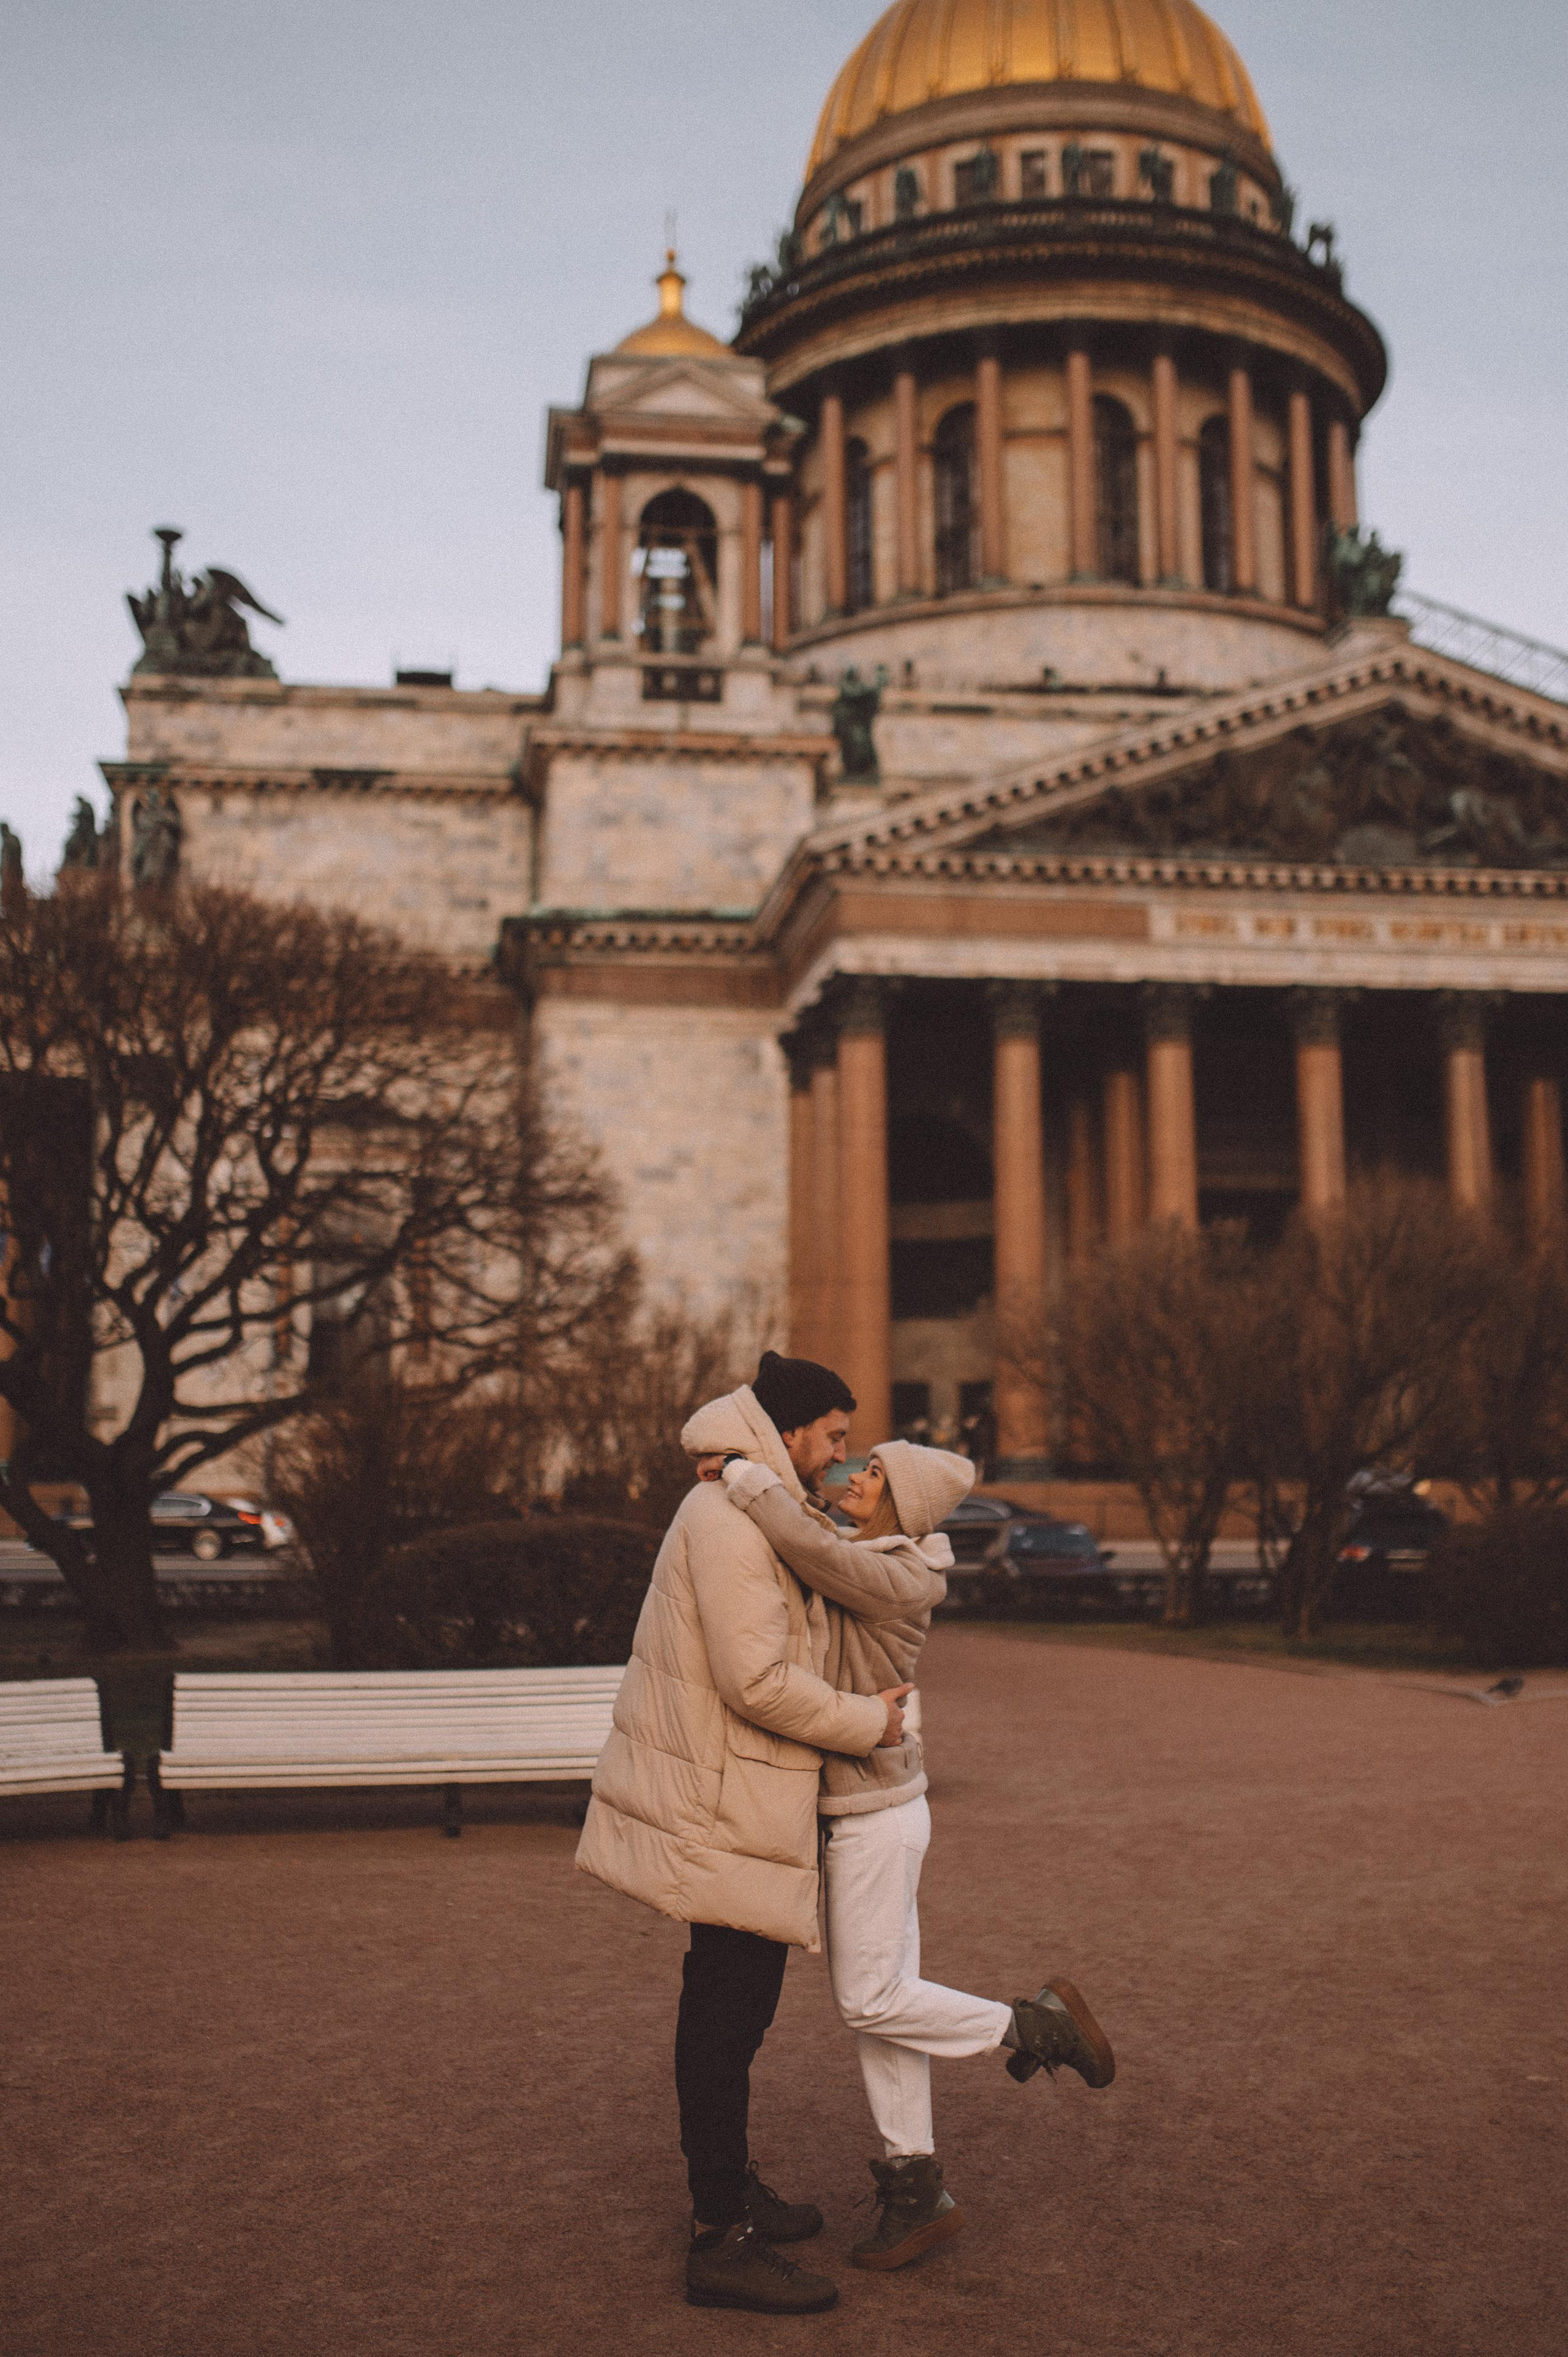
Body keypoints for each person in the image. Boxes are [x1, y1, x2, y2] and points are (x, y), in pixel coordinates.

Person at [709, 1436, 1115, 2272]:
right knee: (884, 2008)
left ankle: (1036, 2025)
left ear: (908, 1505)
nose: (853, 1476)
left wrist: (748, 1478)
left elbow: (809, 1548)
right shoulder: (863, 1552)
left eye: (875, 1475)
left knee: (867, 2001)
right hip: (861, 1811)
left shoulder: (901, 1573)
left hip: (875, 1814)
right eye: (859, 1464)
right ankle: (916, 2187)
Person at [576, 1351, 913, 2317]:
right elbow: (755, 1681)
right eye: (835, 1438)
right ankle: (718, 2234)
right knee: (724, 2018)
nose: (841, 1457)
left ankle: (733, 2195)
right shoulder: (726, 1521)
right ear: (791, 1430)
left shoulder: (749, 1506)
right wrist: (869, 1721)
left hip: (741, 1798)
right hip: (727, 1802)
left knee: (737, 2012)